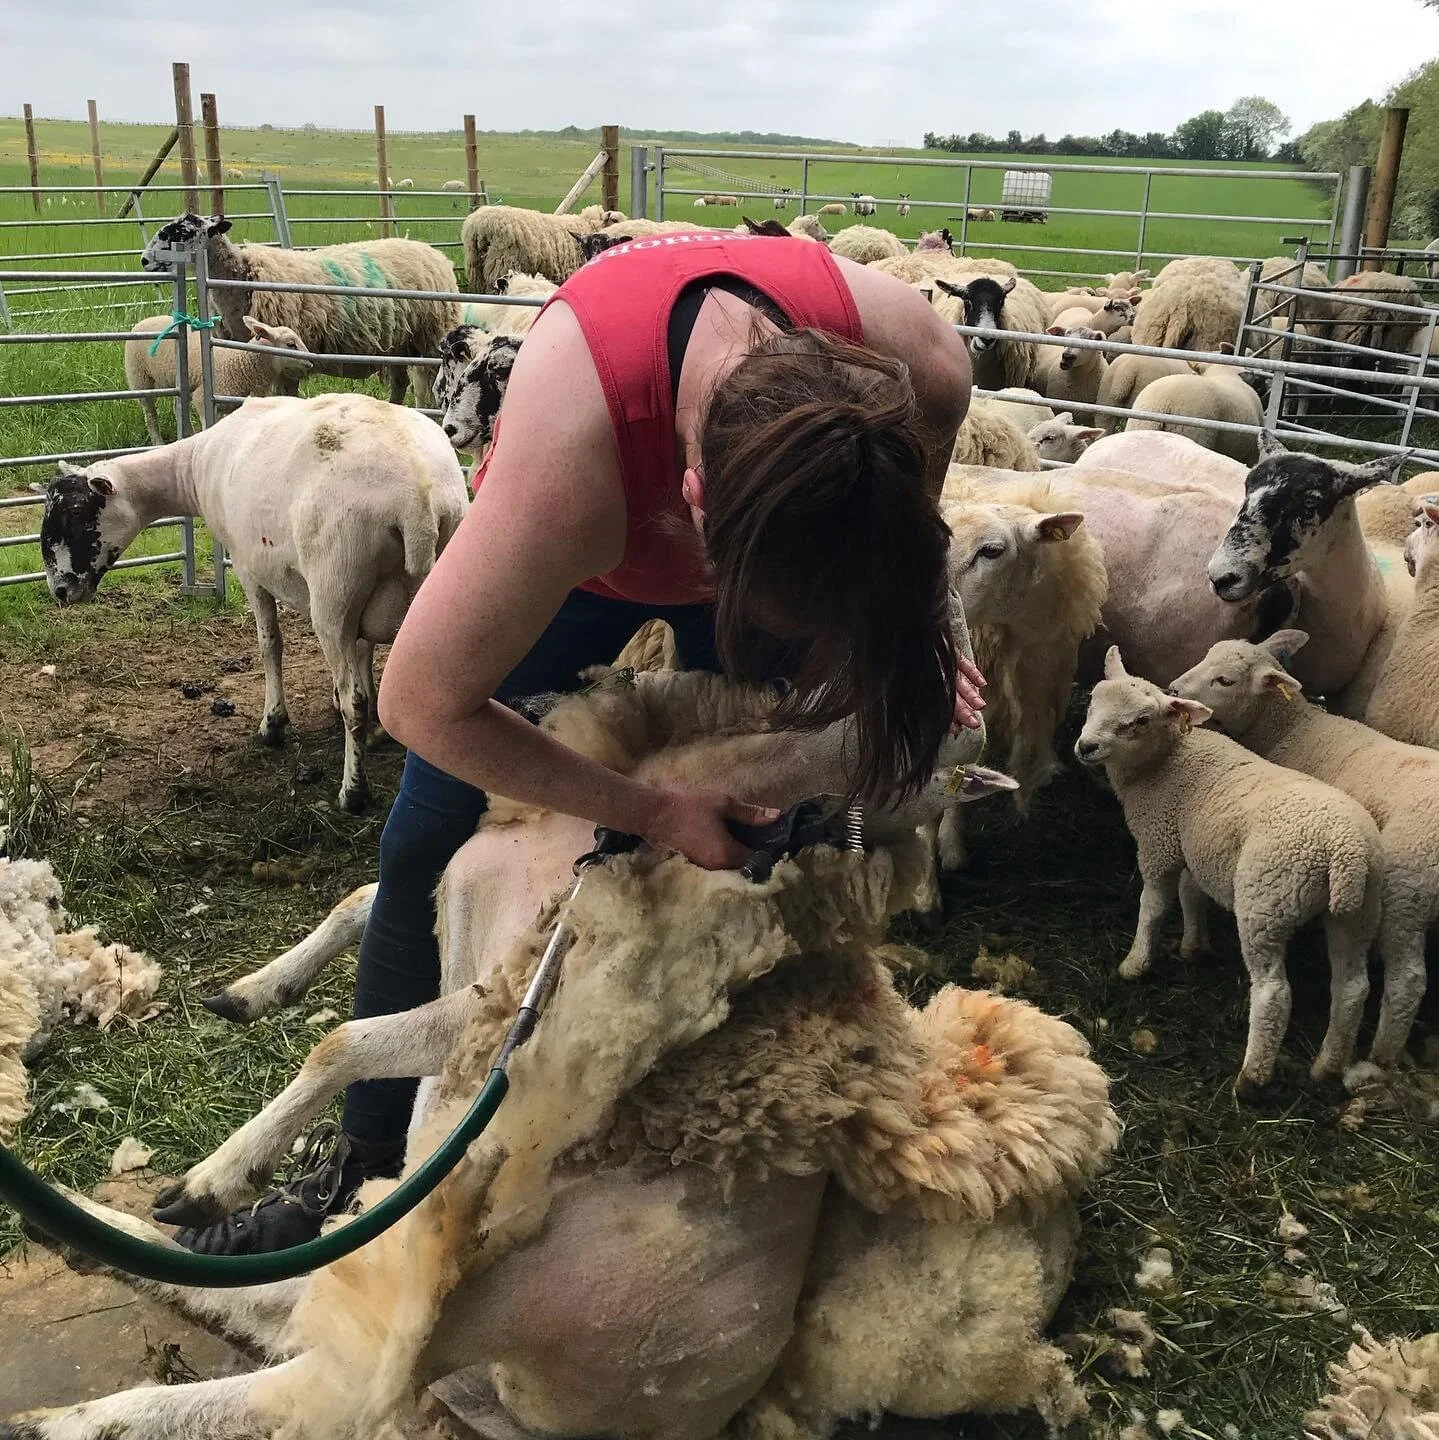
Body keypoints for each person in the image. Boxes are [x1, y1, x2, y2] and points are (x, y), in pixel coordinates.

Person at [168, 228, 984, 1254]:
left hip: (787, 551)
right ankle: (362, 1171)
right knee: (424, 841)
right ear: (693, 501)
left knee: (784, 824)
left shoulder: (922, 364)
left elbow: (912, 512)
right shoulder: (568, 472)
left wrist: (906, 617)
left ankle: (765, 1121)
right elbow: (419, 704)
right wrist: (652, 810)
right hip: (590, 563)